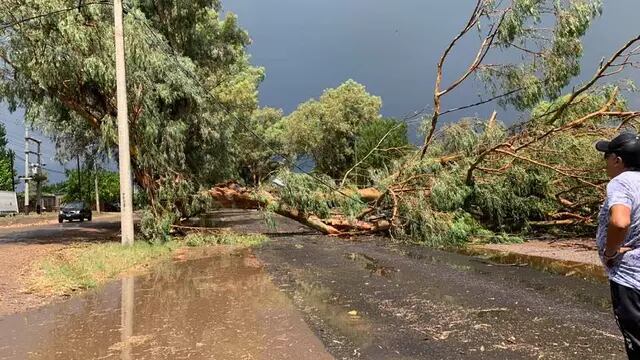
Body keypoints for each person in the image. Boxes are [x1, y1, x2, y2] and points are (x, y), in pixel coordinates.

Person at [595, 132, 640, 359]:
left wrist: (610, 251)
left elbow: (620, 222)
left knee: (636, 341)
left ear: (617, 160)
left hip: (631, 278)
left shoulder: (621, 182)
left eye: (607, 157)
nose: (606, 163)